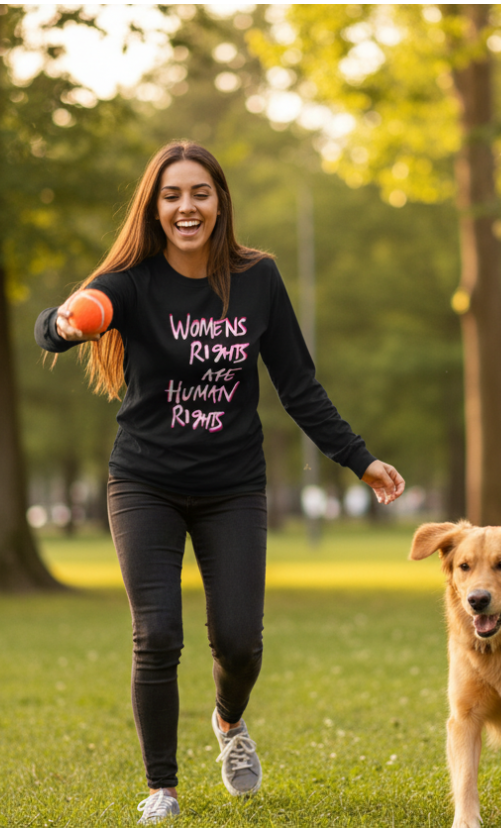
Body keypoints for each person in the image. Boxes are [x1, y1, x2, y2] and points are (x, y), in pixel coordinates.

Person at [35, 141, 405, 825]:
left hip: (232, 485)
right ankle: (163, 788)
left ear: (220, 202)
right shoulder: (131, 282)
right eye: (172, 195)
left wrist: (359, 459)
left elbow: (298, 385)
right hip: (143, 481)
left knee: (238, 642)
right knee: (157, 635)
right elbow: (60, 324)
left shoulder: (257, 278)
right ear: (154, 207)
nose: (187, 206)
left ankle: (229, 722)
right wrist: (62, 324)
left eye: (199, 193)